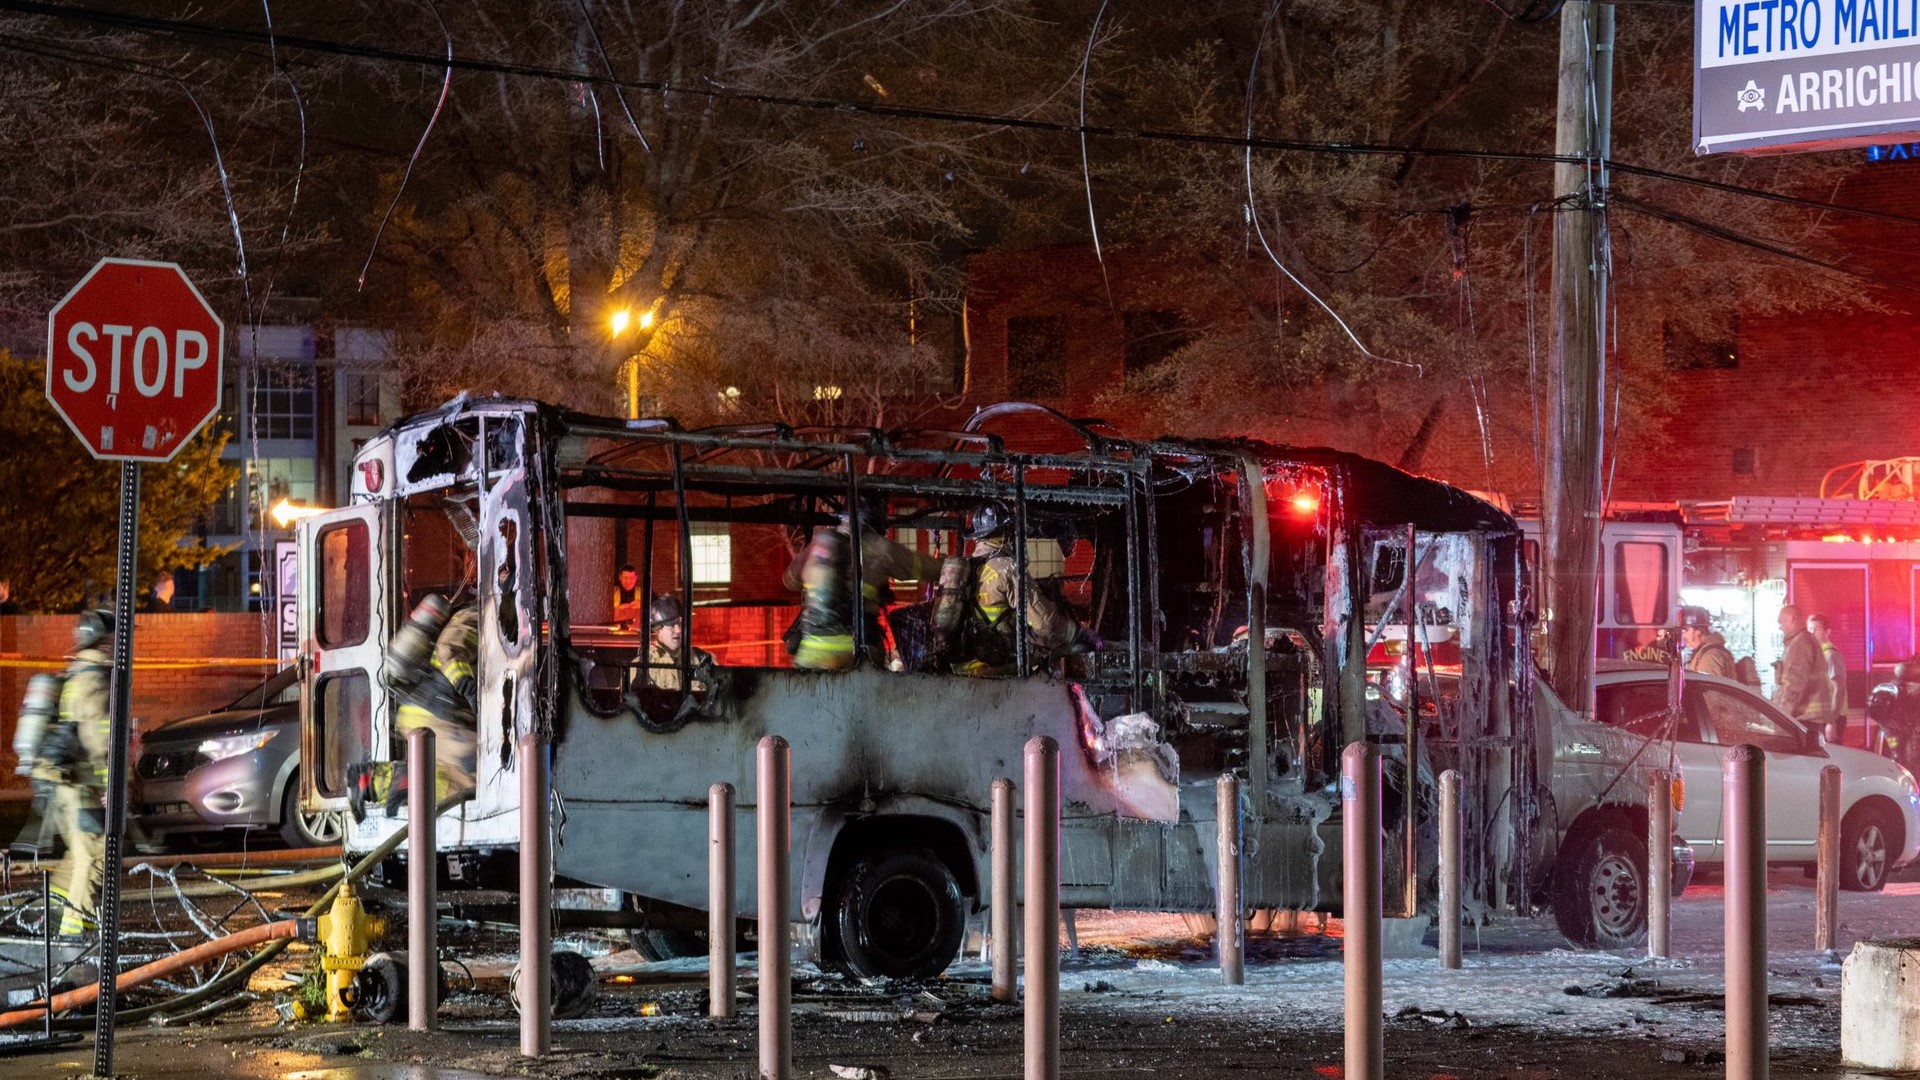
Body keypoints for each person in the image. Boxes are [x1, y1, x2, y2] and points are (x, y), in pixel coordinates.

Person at [784, 495, 940, 671]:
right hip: (857, 654)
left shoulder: (817, 544)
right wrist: (959, 564)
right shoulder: (881, 548)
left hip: (811, 653)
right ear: (878, 520)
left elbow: (789, 581)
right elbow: (928, 568)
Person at [35, 611, 112, 937]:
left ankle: (54, 913)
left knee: (79, 853)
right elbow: (98, 735)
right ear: (105, 642)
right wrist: (111, 781)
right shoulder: (94, 679)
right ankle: (71, 932)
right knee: (93, 853)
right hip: (80, 782)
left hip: (59, 780)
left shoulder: (76, 672)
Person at [946, 502, 1088, 676]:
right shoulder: (1007, 569)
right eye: (1010, 531)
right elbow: (1046, 623)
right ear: (1004, 533)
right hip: (1001, 667)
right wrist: (1076, 635)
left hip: (970, 666)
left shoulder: (970, 566)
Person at [631, 594, 715, 692]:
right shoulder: (641, 668)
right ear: (657, 629)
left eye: (680, 624)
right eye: (671, 626)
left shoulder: (701, 660)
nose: (678, 630)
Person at [1773, 603, 1832, 722]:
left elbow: (1794, 684)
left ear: (1791, 619)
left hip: (1804, 717)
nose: (1780, 627)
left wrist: (1782, 717)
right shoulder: (1803, 640)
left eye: (1781, 621)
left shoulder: (1800, 644)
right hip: (1808, 716)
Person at [1808, 612, 1850, 745]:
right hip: (1816, 718)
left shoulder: (1831, 655)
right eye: (1809, 629)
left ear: (1827, 631)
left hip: (1830, 719)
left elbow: (1839, 689)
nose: (1812, 632)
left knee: (1831, 758)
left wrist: (1831, 722)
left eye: (1817, 629)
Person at [1679, 606, 1737, 680]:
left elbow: (1712, 690)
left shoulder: (1710, 657)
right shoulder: (1704, 653)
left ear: (1699, 631)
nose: (1683, 635)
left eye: (1686, 630)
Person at [612, 564, 643, 629]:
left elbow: (656, 608)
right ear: (620, 577)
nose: (628, 581)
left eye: (631, 578)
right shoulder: (611, 592)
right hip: (614, 630)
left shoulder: (644, 593)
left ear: (636, 578)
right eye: (625, 578)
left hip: (636, 632)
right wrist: (617, 609)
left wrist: (642, 605)